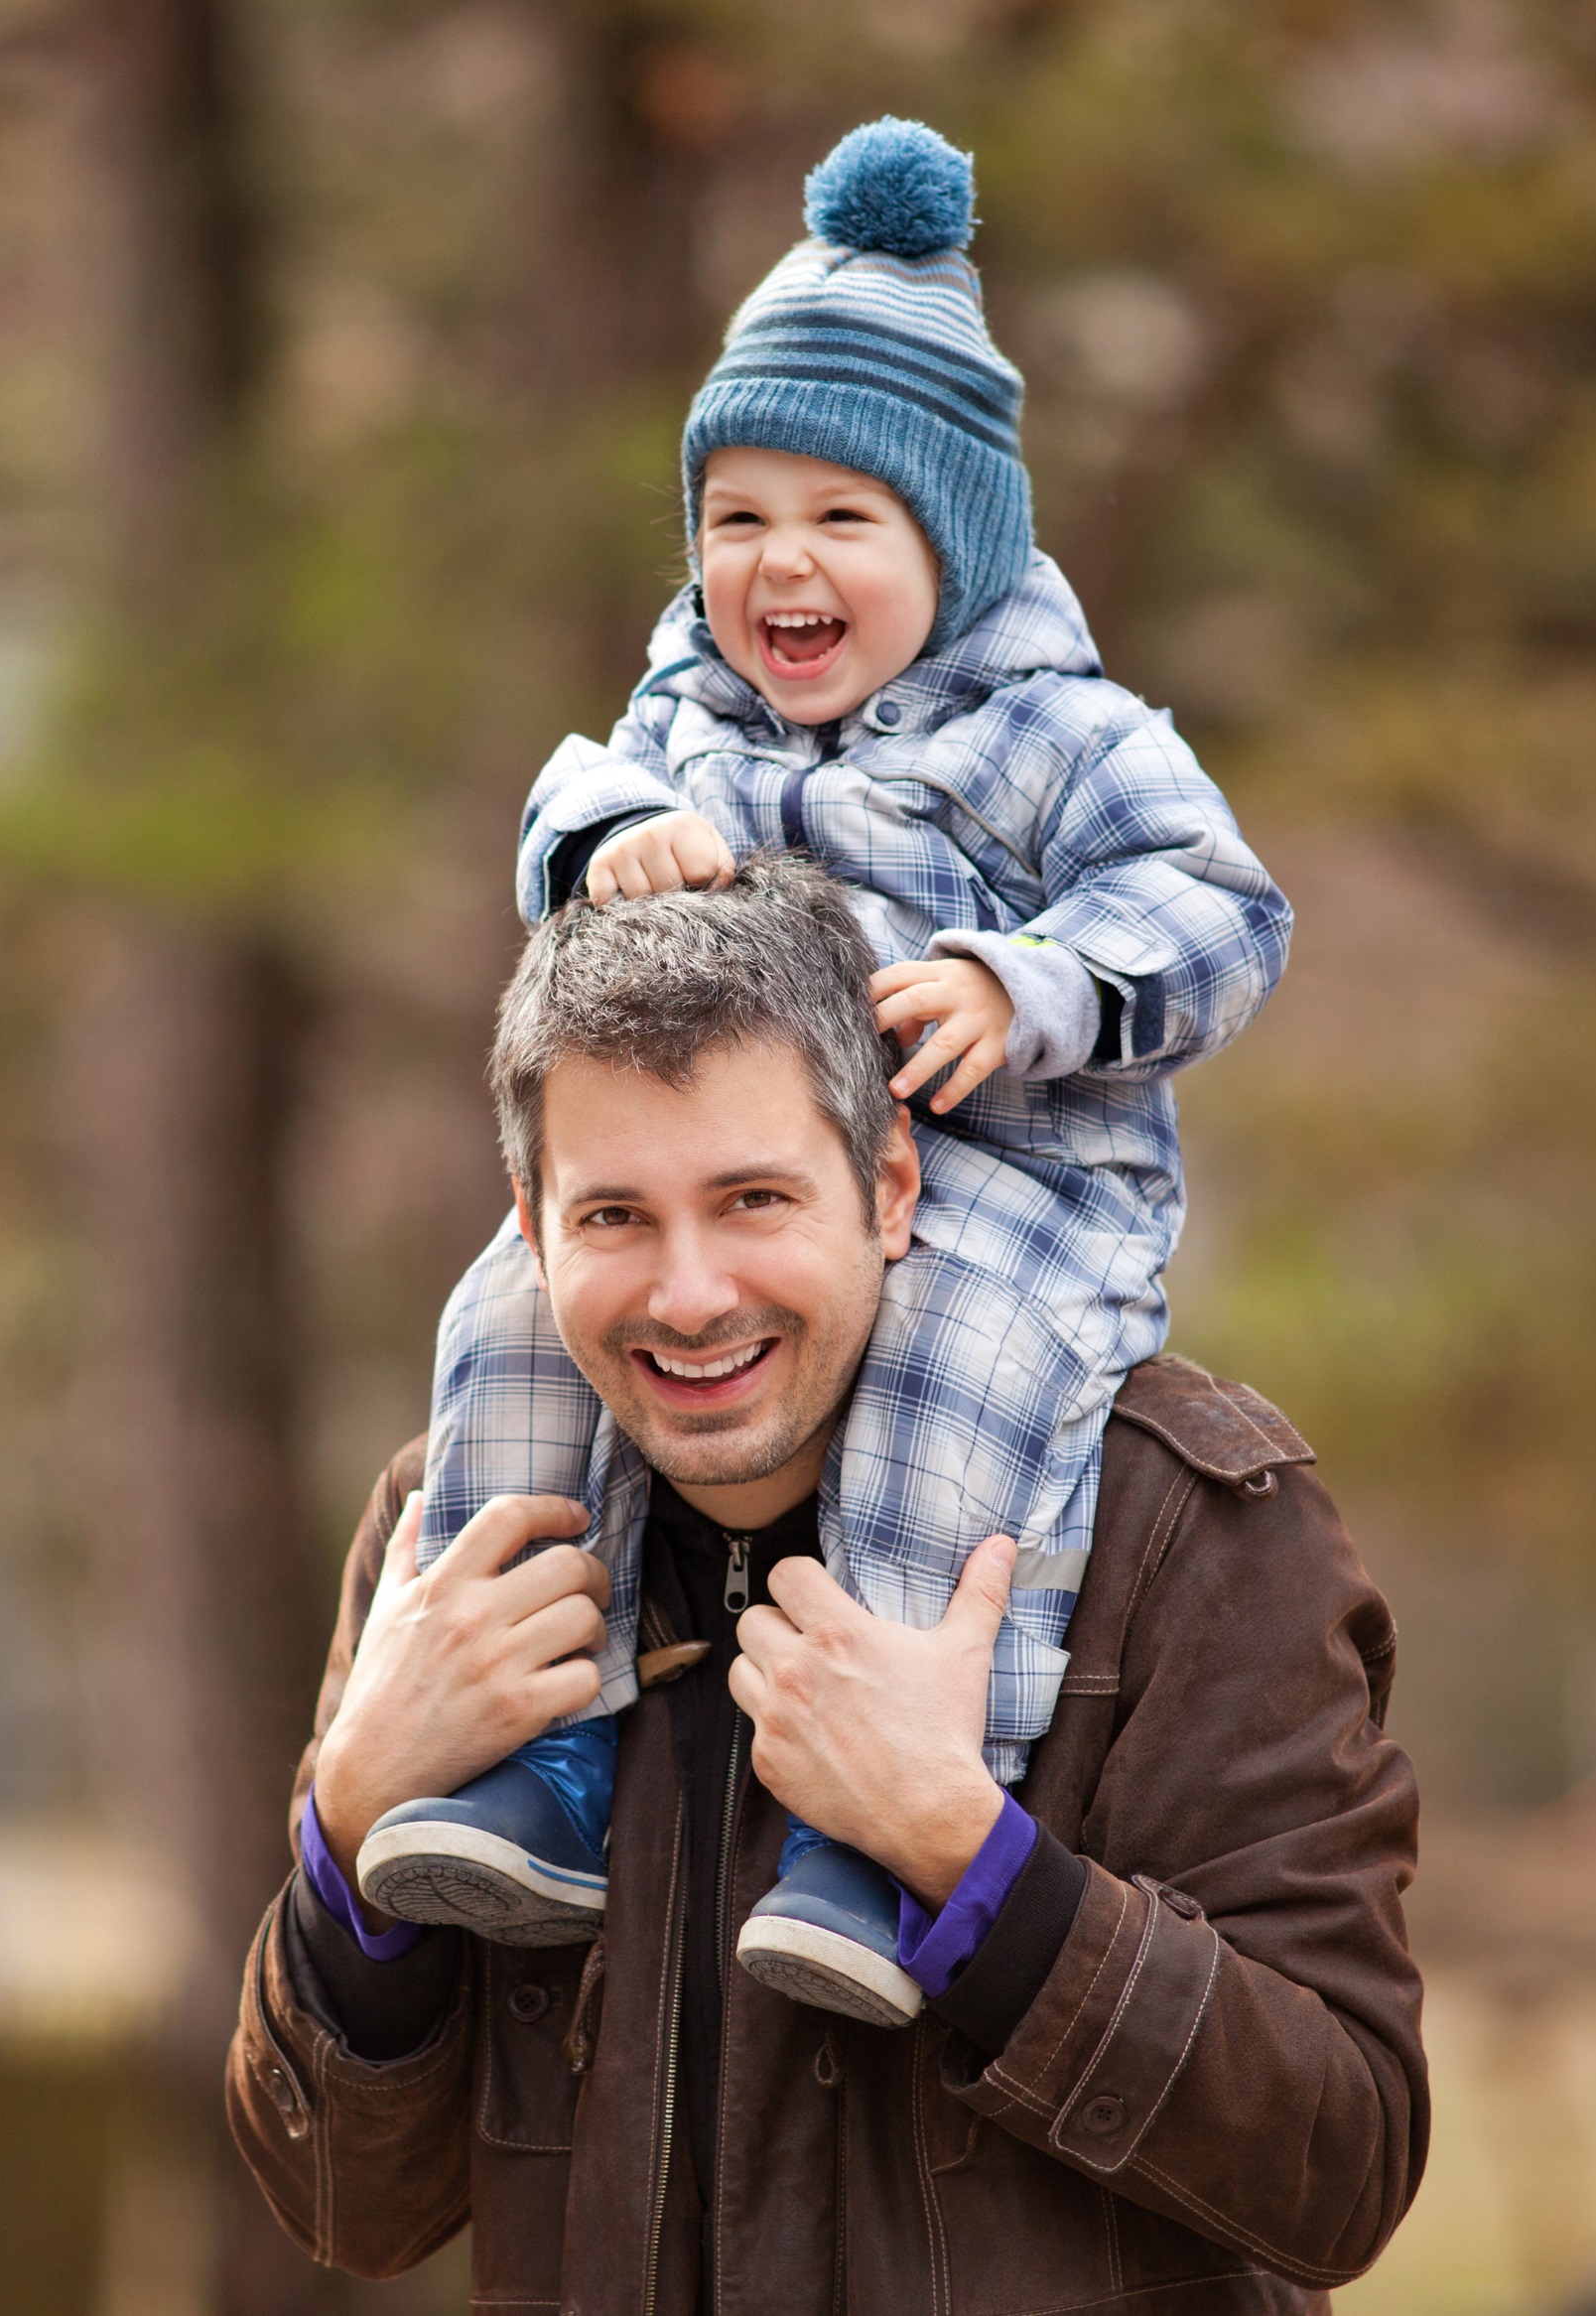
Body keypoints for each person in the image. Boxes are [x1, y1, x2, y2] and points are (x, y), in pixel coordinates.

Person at [352, 114, 1291, 2029]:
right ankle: (530, 1753)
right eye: (735, 517)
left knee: (957, 1377)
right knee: (512, 1313)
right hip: (754, 1154)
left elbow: (1222, 906)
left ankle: (881, 1817)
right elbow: (568, 782)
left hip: (1015, 1191)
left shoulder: (1055, 731)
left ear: (955, 537)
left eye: (842, 520)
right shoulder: (688, 698)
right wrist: (608, 832)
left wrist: (1025, 984)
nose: (776, 563)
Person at [226, 859, 1422, 2311]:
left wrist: (966, 1852)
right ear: (530, 1229)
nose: (690, 1293)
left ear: (891, 1187)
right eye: (615, 1217)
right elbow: (348, 2202)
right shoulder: (453, 1548)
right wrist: (349, 1829)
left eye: (753, 1199)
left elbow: (1343, 2160)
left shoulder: (1183, 1524)